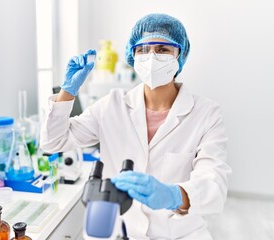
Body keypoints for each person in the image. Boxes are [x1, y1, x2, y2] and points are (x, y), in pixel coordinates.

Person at [40, 13, 231, 240]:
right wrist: (67, 92)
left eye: (162, 49)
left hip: (180, 234)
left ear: (180, 55)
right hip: (117, 230)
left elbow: (215, 185)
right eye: (142, 49)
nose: (151, 57)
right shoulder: (112, 105)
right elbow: (53, 142)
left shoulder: (206, 113)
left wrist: (174, 195)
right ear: (132, 56)